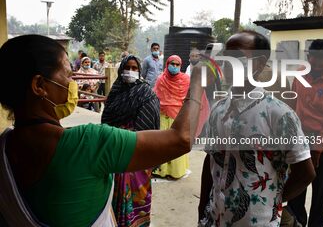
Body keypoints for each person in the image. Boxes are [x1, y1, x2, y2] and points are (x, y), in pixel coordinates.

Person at [0, 35, 204, 227]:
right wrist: (197, 81)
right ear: (39, 85)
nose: (72, 84)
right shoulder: (89, 143)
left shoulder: (5, 146)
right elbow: (181, 139)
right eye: (68, 75)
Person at [198, 31, 316, 226]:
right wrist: (202, 207)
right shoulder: (218, 110)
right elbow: (211, 158)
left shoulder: (278, 114)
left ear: (260, 64)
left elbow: (305, 172)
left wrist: (273, 200)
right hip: (214, 218)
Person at [102, 55, 160, 227]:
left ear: (140, 71)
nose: (131, 71)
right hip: (113, 153)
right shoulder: (115, 91)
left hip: (137, 153)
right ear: (121, 69)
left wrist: (125, 137)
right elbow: (105, 120)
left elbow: (149, 127)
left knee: (137, 197)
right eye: (127, 67)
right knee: (112, 194)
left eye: (135, 68)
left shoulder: (146, 93)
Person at [288, 39, 323, 227]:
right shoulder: (299, 75)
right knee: (297, 183)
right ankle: (296, 220)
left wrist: (317, 149)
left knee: (320, 188)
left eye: (322, 59)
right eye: (313, 57)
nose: (316, 63)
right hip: (299, 137)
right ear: (309, 56)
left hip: (322, 141)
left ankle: (316, 223)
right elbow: (292, 105)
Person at [152, 55, 190, 179]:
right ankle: (160, 170)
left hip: (178, 116)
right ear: (167, 64)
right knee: (162, 143)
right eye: (172, 64)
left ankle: (175, 171)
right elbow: (155, 97)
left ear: (181, 66)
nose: (174, 66)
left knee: (176, 143)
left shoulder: (186, 79)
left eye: (177, 64)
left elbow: (189, 98)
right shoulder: (160, 79)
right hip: (162, 115)